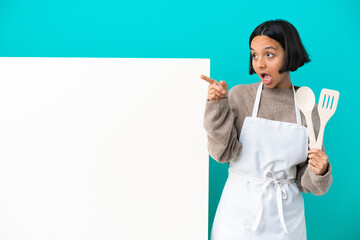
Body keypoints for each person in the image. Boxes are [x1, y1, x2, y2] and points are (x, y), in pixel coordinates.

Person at [201, 19, 333, 240]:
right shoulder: (240, 96)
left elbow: (307, 183)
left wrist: (320, 170)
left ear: (289, 54)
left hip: (286, 219)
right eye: (254, 55)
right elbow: (222, 153)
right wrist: (217, 106)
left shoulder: (307, 106)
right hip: (239, 213)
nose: (260, 64)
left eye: (269, 55)